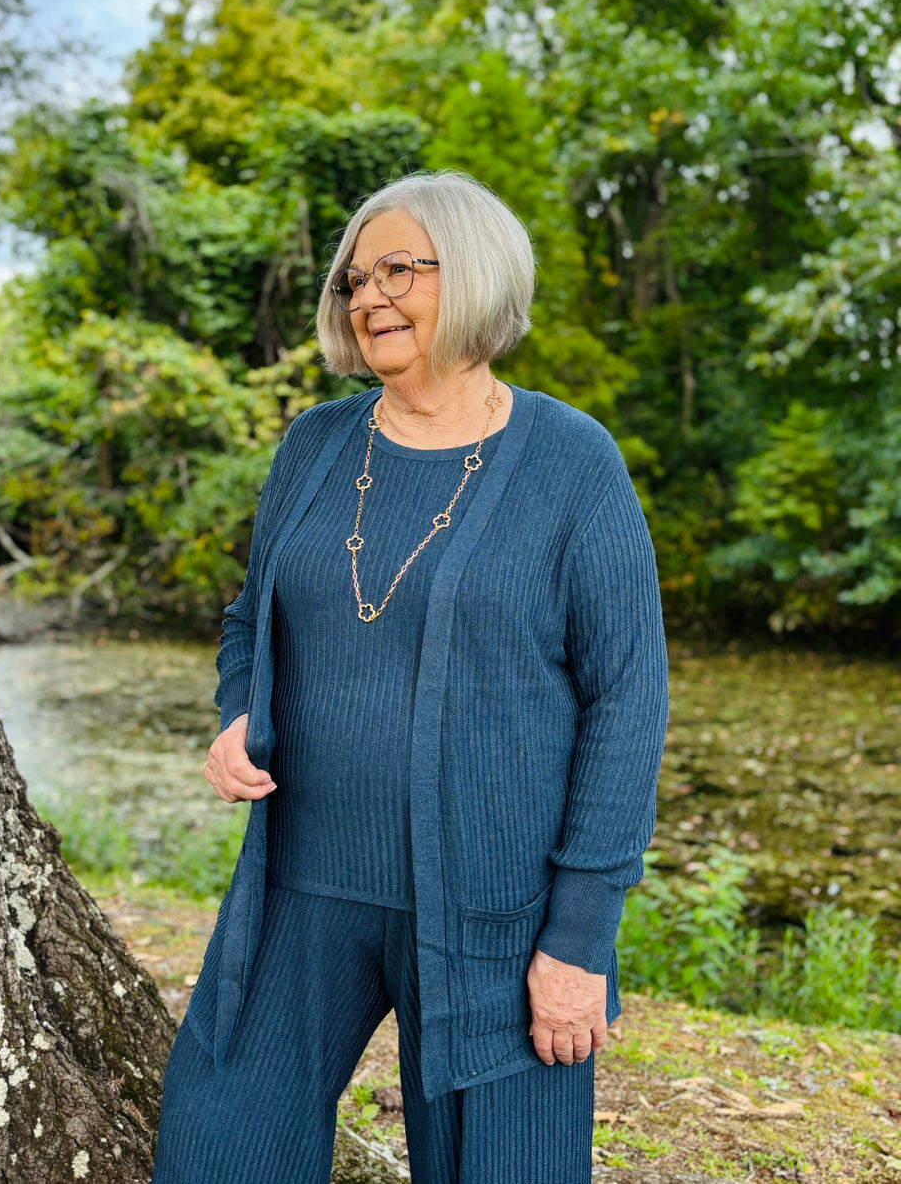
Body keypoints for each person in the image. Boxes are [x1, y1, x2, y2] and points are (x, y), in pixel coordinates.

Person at [151, 170, 669, 1184]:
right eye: (354, 278)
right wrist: (238, 711)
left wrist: (578, 939)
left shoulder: (572, 462)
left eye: (399, 269)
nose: (368, 296)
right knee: (218, 1142)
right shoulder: (314, 445)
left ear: (471, 275)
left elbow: (627, 704)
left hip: (499, 908)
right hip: (299, 883)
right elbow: (252, 617)